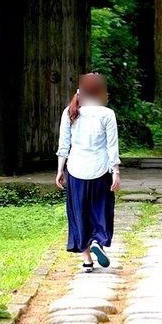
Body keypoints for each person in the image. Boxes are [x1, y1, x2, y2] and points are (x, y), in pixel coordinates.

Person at [56, 72, 121, 273]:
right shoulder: (107, 114)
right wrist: (115, 171)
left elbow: (64, 144)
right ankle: (97, 241)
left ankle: (87, 260)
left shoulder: (70, 111)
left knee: (78, 214)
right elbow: (112, 146)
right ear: (101, 92)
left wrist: (60, 170)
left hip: (76, 170)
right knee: (100, 210)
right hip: (101, 171)